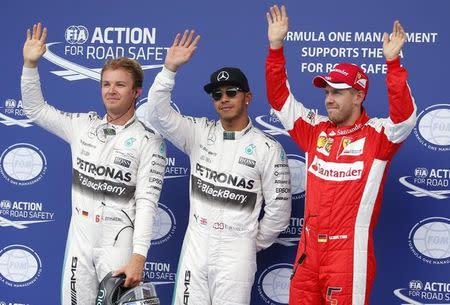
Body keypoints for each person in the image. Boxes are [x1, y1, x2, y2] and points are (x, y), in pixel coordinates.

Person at [265, 5, 416, 305]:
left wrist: (393, 64)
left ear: (359, 96)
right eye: (326, 92)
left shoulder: (378, 136)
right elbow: (280, 100)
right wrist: (276, 48)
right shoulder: (314, 129)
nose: (329, 99)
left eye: (338, 92)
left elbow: (404, 118)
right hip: (308, 254)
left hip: (347, 257)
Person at [21, 23, 166, 305]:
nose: (111, 90)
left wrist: (138, 257)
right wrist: (30, 65)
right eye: (106, 84)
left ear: (136, 92)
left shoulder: (150, 141)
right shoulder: (82, 126)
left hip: (118, 244)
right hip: (80, 241)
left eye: (120, 84)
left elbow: (148, 203)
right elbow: (35, 109)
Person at [146, 30, 292, 305]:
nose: (223, 98)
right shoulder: (198, 133)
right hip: (196, 243)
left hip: (237, 251)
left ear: (247, 97)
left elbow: (279, 213)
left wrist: (248, 241)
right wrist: (169, 69)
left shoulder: (268, 148)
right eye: (217, 94)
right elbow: (156, 114)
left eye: (231, 92)